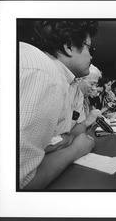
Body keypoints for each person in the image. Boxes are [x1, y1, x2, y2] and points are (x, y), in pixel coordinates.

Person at [20, 20, 101, 189]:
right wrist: (75, 150)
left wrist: (65, 139)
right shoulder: (44, 74)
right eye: (89, 48)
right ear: (69, 46)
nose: (92, 56)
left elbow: (77, 127)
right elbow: (19, 184)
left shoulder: (64, 79)